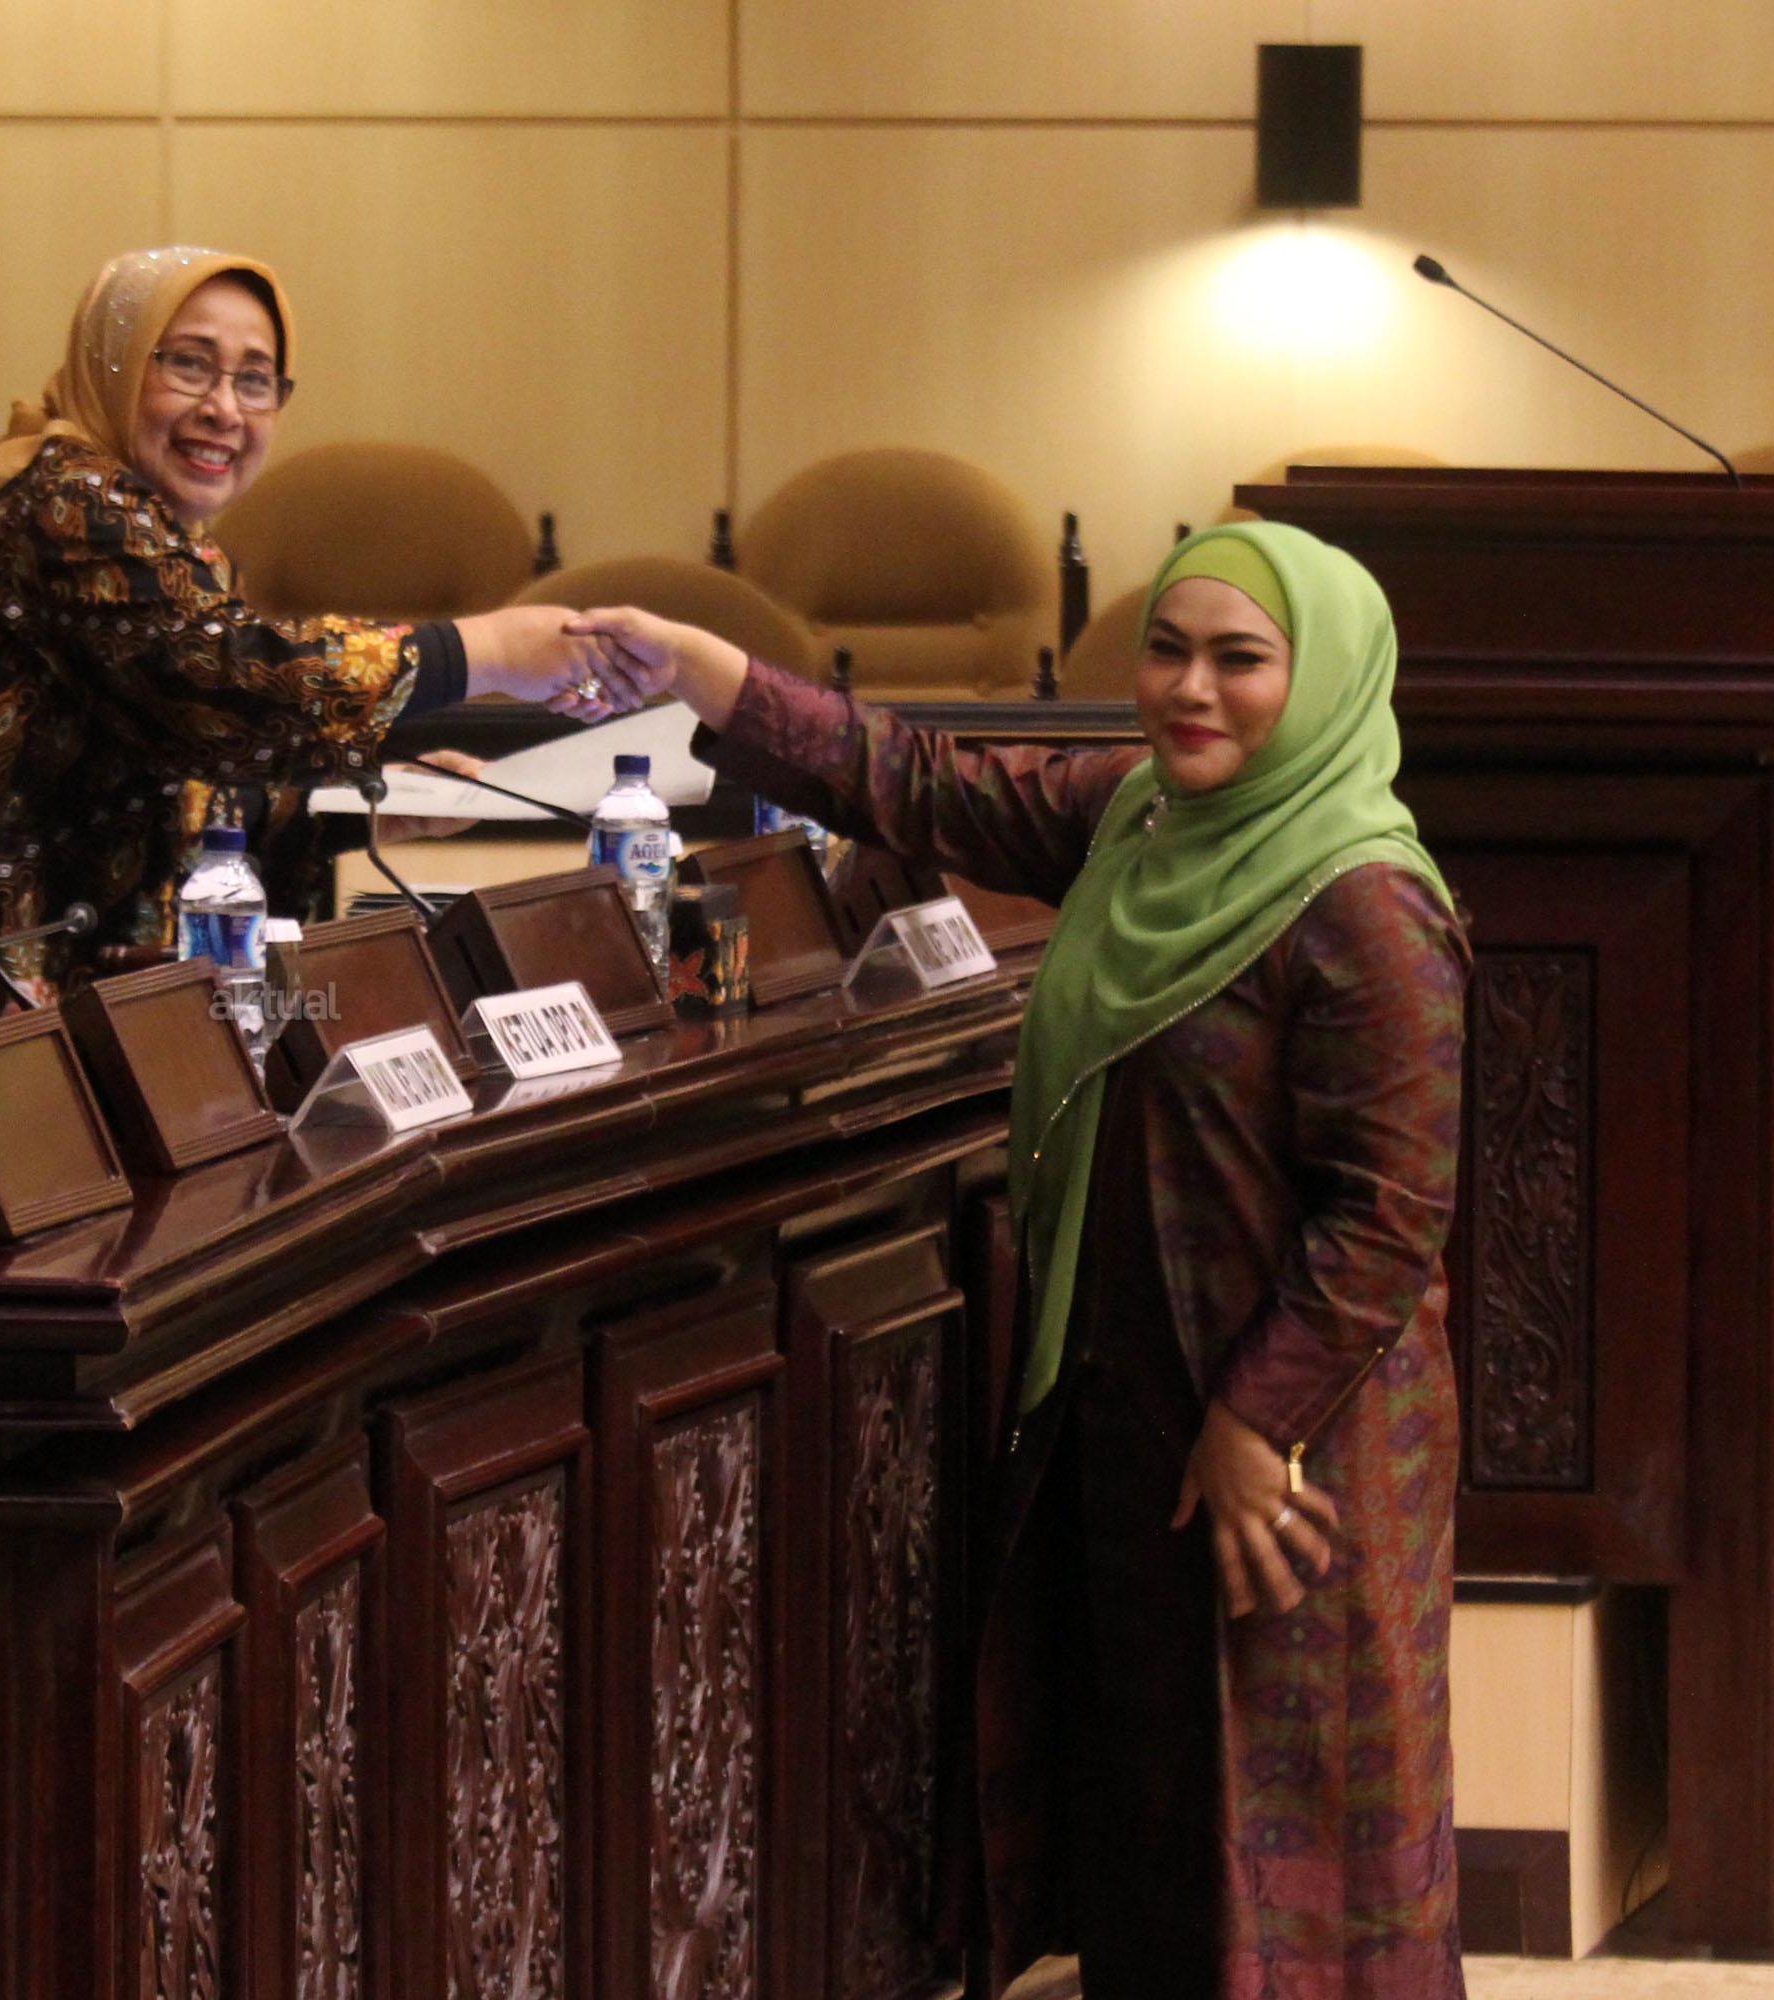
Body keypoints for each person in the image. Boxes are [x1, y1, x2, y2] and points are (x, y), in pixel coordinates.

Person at [574, 522, 1468, 1996]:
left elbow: (1388, 1213)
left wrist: (1257, 1421)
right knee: (1156, 1812)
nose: (1190, 689)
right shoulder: (1139, 816)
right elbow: (927, 784)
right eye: (1167, 651)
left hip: (1301, 1447)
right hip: (1134, 1398)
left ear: (1321, 681)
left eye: (1241, 660)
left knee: (1295, 1821)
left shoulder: (1368, 904)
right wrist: (709, 672)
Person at [0, 246, 615, 1012]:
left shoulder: (161, 535)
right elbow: (224, 682)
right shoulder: (71, 502)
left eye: (255, 380)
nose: (224, 410)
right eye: (189, 365)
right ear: (113, 365)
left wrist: (351, 812)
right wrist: (489, 650)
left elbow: (186, 777)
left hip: (41, 992)